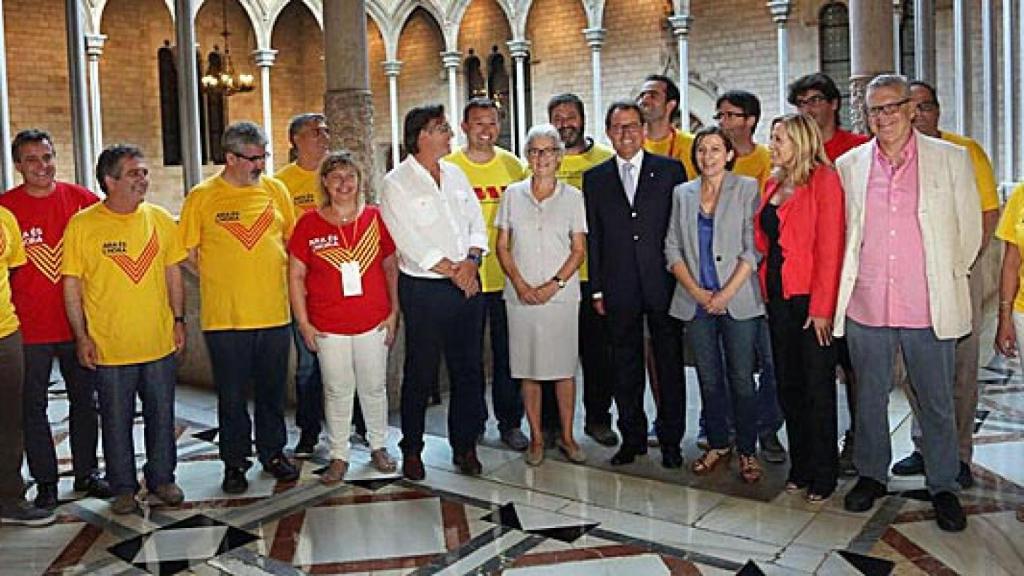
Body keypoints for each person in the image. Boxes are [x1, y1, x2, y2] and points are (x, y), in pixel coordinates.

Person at [834, 75, 981, 532]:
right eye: (874, 111)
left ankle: (942, 484)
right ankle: (872, 475)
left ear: (912, 110)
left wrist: (941, 274)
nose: (883, 118)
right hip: (868, 301)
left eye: (892, 107)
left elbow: (969, 230)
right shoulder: (849, 164)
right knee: (869, 397)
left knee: (935, 399)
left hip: (926, 301)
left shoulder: (951, 160)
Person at [63, 144, 186, 515]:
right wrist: (81, 335)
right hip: (109, 346)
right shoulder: (83, 225)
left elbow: (173, 273)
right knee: (115, 421)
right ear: (109, 180)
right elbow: (73, 285)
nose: (143, 180)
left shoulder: (160, 219)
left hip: (159, 341)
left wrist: (179, 320)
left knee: (162, 415)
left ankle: (162, 478)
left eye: (144, 172)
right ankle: (123, 488)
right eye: (134, 173)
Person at [890, 80, 1000, 489]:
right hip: (906, 281)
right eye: (911, 107)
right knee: (910, 368)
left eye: (927, 106)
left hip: (957, 273)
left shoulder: (965, 151)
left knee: (959, 368)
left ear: (938, 111)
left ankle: (958, 454)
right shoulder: (895, 156)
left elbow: (988, 214)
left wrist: (963, 264)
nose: (919, 115)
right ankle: (925, 446)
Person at [179, 122, 299, 494]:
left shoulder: (276, 190)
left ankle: (273, 452)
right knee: (231, 397)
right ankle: (234, 463)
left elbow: (292, 242)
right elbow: (184, 251)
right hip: (225, 319)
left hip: (275, 313)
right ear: (230, 158)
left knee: (271, 392)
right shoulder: (202, 196)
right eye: (253, 158)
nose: (260, 164)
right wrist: (217, 275)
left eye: (264, 156)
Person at [0, 129, 109, 510]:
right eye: (32, 160)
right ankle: (45, 479)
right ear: (18, 166)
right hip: (27, 329)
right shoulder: (6, 208)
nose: (42, 167)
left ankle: (86, 472)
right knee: (33, 407)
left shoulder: (80, 200)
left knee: (86, 401)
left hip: (78, 324)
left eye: (47, 157)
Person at [380, 104, 488, 480]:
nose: (450, 134)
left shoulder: (456, 174)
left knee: (468, 370)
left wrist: (472, 261)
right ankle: (412, 449)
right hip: (425, 291)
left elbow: (476, 222)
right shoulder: (396, 183)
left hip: (468, 282)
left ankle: (465, 445)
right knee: (421, 372)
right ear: (422, 135)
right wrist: (453, 271)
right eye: (442, 128)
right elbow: (408, 240)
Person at [584, 101, 686, 468]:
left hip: (663, 283)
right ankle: (632, 438)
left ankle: (672, 439)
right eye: (617, 127)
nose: (625, 134)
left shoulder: (670, 170)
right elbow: (593, 237)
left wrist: (683, 279)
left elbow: (681, 228)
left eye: (632, 126)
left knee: (668, 363)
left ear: (643, 130)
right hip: (617, 286)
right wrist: (596, 288)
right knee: (624, 365)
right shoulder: (595, 179)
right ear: (609, 133)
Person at [287, 151, 399, 484]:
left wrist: (394, 312)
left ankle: (378, 446)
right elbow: (295, 276)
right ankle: (339, 454)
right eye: (335, 177)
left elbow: (391, 268)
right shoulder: (308, 223)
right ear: (324, 182)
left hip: (374, 319)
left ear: (360, 181)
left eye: (350, 176)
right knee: (336, 390)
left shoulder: (376, 219)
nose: (344, 184)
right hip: (326, 325)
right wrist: (304, 322)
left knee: (373, 387)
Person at [665, 126, 764, 483]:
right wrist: (697, 291)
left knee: (741, 378)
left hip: (738, 300)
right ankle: (719, 443)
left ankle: (748, 450)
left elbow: (754, 248)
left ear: (730, 154)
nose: (708, 157)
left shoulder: (747, 188)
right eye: (702, 150)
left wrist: (723, 294)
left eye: (716, 149)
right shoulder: (682, 193)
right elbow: (672, 247)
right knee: (709, 379)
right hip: (696, 302)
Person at [754, 113, 845, 502]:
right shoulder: (772, 181)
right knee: (789, 386)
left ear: (801, 141)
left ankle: (824, 472)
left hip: (811, 301)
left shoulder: (824, 180)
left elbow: (830, 249)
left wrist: (823, 307)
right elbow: (765, 239)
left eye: (779, 138)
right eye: (772, 138)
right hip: (777, 298)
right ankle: (801, 465)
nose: (772, 144)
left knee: (817, 389)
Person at [788, 72, 870, 476]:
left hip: (852, 278)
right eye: (801, 102)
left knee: (854, 368)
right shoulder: (790, 161)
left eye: (816, 99)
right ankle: (817, 450)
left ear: (834, 103)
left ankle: (860, 441)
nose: (809, 108)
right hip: (811, 282)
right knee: (816, 373)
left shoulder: (856, 149)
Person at [495, 123, 587, 467]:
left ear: (559, 157)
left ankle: (566, 437)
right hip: (520, 298)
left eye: (548, 150)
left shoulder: (573, 198)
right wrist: (519, 283)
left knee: (563, 370)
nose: (541, 157)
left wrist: (554, 285)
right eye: (534, 151)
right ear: (527, 156)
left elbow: (578, 250)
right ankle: (535, 438)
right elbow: (502, 245)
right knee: (528, 370)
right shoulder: (512, 194)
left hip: (560, 298)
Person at [445, 98, 528, 452]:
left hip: (507, 276)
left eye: (492, 123)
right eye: (478, 123)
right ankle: (473, 421)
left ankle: (510, 422)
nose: (486, 130)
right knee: (468, 356)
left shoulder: (513, 166)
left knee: (509, 355)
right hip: (466, 280)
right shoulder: (449, 168)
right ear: (464, 127)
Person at [713, 90, 786, 464]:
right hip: (725, 279)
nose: (723, 121)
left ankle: (767, 427)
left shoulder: (767, 161)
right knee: (731, 361)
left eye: (730, 115)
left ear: (749, 120)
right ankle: (725, 425)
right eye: (720, 115)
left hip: (765, 275)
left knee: (772, 360)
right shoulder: (712, 161)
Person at [545, 93, 616, 447]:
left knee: (598, 354)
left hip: (593, 275)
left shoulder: (605, 160)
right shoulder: (539, 164)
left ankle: (599, 419)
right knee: (552, 353)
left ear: (583, 119)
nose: (564, 124)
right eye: (557, 117)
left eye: (570, 116)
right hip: (551, 278)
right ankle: (552, 424)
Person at [275, 113, 332, 457]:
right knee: (309, 363)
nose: (323, 137)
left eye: (326, 131)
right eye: (315, 132)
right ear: (295, 140)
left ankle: (349, 424)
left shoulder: (336, 174)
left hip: (340, 285)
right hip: (304, 286)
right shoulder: (282, 183)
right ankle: (309, 432)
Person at [0, 203, 55, 526]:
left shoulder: (6, 217)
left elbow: (12, 269)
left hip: (6, 332)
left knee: (10, 419)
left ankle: (9, 496)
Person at [639, 74, 696, 179]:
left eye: (653, 96)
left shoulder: (693, 146)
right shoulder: (632, 145)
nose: (644, 101)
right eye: (642, 96)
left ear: (670, 105)